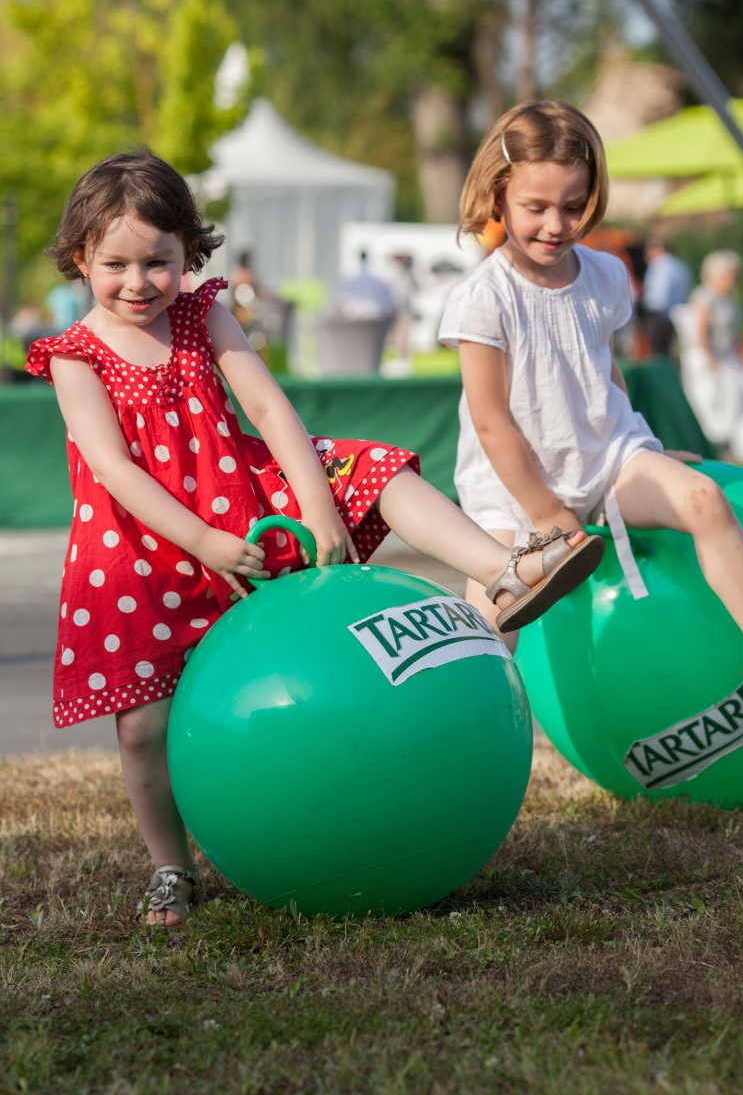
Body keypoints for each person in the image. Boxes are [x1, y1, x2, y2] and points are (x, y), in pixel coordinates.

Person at [25, 149, 600, 927]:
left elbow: (268, 409)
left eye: (158, 261)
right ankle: (171, 867)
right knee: (142, 728)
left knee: (377, 475)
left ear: (188, 253)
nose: (139, 282)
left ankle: (507, 569)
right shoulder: (75, 356)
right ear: (78, 260)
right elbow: (114, 470)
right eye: (115, 264)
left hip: (246, 494)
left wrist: (318, 506)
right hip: (148, 546)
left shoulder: (202, 313)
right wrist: (203, 540)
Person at [437, 99, 743, 704]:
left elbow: (601, 369)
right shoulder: (482, 297)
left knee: (704, 498)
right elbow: (490, 421)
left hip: (606, 461)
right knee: (487, 635)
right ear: (497, 195)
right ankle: (470, 750)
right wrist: (546, 516)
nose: (555, 225)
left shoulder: (606, 275)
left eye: (573, 206)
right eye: (536, 207)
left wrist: (648, 452)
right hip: (513, 494)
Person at [674, 249, 743, 450]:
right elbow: (700, 331)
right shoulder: (704, 297)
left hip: (726, 353)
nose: (733, 278)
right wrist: (709, 357)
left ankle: (732, 435)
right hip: (706, 354)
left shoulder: (730, 297)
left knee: (738, 392)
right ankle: (712, 439)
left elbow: (734, 329)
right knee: (710, 396)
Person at [641, 236, 692, 317]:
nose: (646, 254)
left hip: (659, 315)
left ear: (659, 248)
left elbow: (658, 299)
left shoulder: (659, 265)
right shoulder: (680, 265)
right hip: (677, 314)